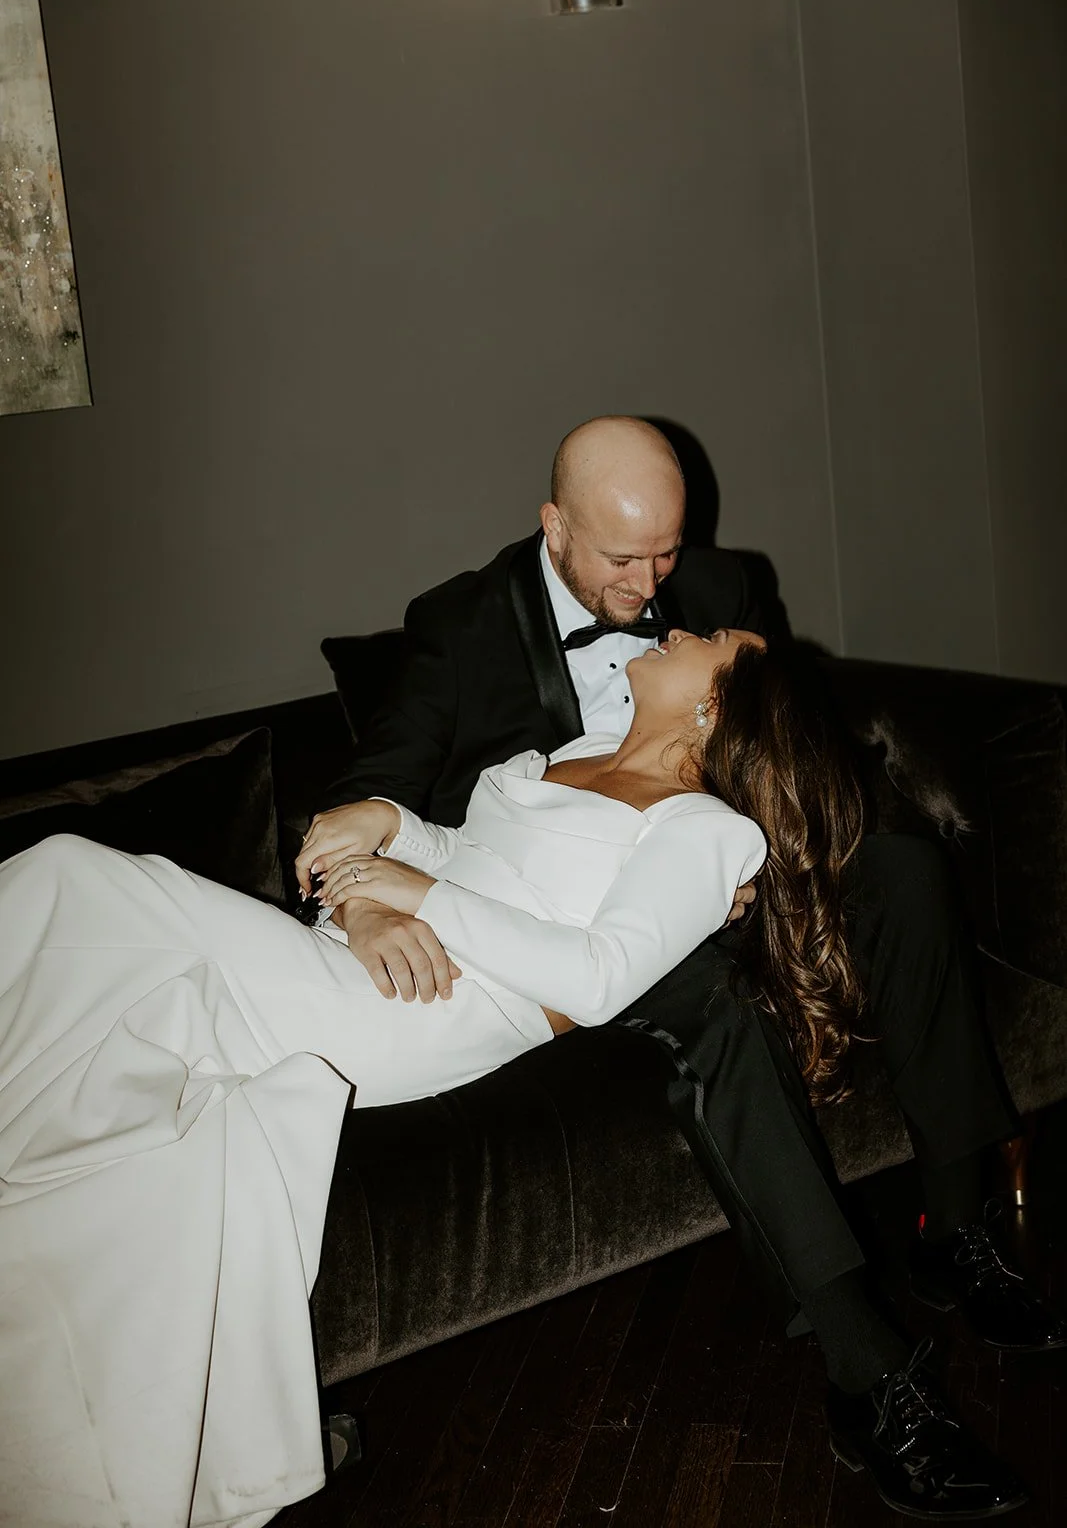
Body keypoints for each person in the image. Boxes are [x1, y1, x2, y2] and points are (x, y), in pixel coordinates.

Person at [302, 415, 1064, 1521]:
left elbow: (785, 737)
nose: (653, 580)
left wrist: (771, 844)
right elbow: (375, 791)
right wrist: (364, 900)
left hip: (724, 862)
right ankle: (868, 1373)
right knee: (711, 1004)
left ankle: (955, 1227)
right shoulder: (461, 626)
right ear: (551, 525)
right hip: (586, 906)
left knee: (898, 867)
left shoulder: (717, 582)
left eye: (664, 552)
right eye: (622, 558)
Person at [1, 626, 881, 1525]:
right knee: (90, 975)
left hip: (425, 1008)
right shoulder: (578, 752)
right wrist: (386, 832)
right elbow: (467, 856)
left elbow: (595, 977)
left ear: (716, 706)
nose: (677, 627)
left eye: (709, 640)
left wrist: (405, 889)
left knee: (71, 879)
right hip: (349, 956)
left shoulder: (706, 829)